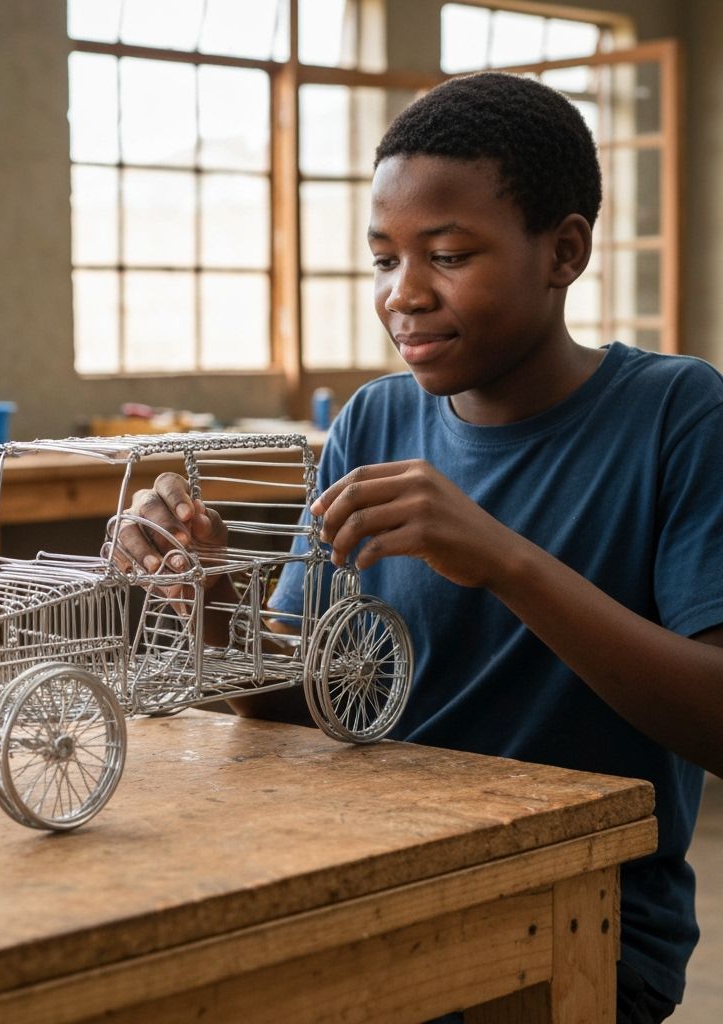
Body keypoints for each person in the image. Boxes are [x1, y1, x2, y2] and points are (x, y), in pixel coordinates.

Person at [115, 72, 723, 1022]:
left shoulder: (678, 413)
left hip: (574, 915)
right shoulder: (374, 421)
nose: (404, 294)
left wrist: (504, 560)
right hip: (372, 883)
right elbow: (309, 707)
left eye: (447, 255)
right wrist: (217, 607)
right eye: (382, 258)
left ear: (564, 251)